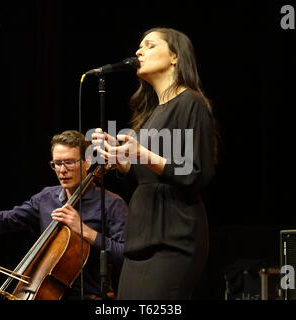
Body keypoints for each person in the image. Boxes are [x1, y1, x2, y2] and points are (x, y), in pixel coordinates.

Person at [0, 130, 128, 300]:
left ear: (86, 163)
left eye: (69, 162)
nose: (62, 170)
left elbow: (124, 254)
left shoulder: (111, 203)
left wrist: (86, 231)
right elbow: (3, 220)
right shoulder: (46, 198)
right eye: (57, 163)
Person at [92, 27, 218, 299]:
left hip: (173, 235)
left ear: (175, 56)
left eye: (149, 45)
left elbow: (197, 174)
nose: (139, 52)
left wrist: (144, 155)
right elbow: (143, 177)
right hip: (142, 235)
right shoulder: (150, 115)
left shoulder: (190, 103)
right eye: (139, 46)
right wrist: (122, 160)